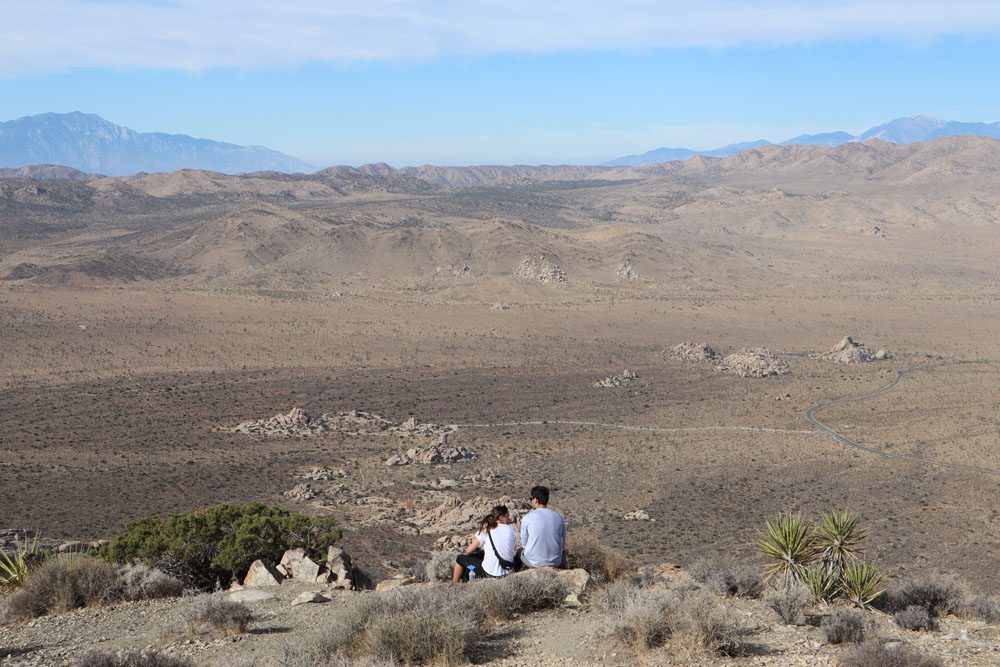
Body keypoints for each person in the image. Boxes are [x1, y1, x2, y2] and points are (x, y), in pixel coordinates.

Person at [452, 505, 517, 581]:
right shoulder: (512, 530)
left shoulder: (487, 529)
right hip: (507, 570)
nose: (509, 519)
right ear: (501, 517)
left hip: (490, 573)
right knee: (482, 553)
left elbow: (469, 551)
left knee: (460, 558)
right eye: (507, 516)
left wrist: (469, 556)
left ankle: (454, 583)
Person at [516, 485, 566, 569]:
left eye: (531, 499)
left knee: (519, 552)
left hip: (534, 562)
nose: (530, 501)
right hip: (555, 562)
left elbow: (524, 544)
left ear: (535, 500)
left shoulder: (527, 517)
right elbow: (563, 543)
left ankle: (515, 575)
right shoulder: (559, 517)